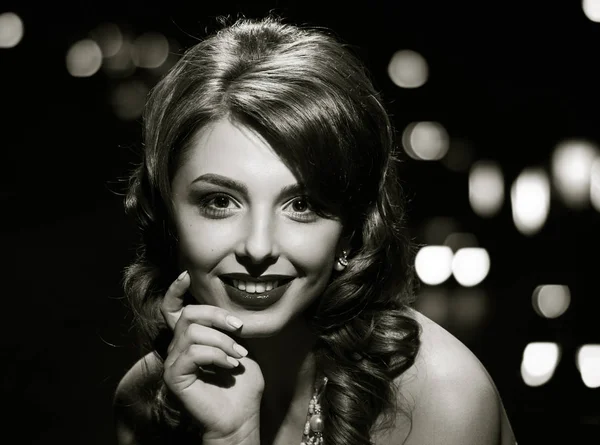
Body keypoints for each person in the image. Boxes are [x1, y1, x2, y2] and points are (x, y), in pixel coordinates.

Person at [113, 15, 517, 445]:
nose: (258, 246)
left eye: (301, 205)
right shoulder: (143, 400)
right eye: (220, 202)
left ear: (351, 231)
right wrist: (230, 436)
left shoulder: (442, 398)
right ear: (167, 216)